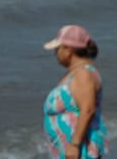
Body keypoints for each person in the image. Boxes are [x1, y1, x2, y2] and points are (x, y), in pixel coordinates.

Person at [43, 24, 107, 159]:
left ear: (68, 50)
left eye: (57, 49)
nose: (56, 54)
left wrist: (74, 145)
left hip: (80, 150)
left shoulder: (83, 74)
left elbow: (88, 110)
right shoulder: (76, 73)